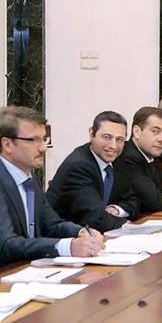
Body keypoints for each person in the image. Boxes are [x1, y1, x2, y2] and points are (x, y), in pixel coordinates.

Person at [0, 106, 104, 264]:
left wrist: (82, 232)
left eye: (43, 139)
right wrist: (67, 247)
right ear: (7, 145)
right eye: (33, 140)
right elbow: (6, 244)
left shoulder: (30, 180)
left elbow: (51, 224)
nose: (43, 148)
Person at [47, 111, 140, 233]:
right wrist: (127, 225)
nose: (113, 146)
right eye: (107, 137)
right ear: (92, 134)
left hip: (94, 236)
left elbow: (134, 201)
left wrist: (116, 209)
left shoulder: (115, 161)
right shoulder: (79, 165)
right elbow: (94, 218)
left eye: (120, 139)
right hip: (65, 239)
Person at [118, 106, 162, 212]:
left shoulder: (154, 156)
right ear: (137, 132)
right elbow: (155, 201)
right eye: (155, 131)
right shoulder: (128, 158)